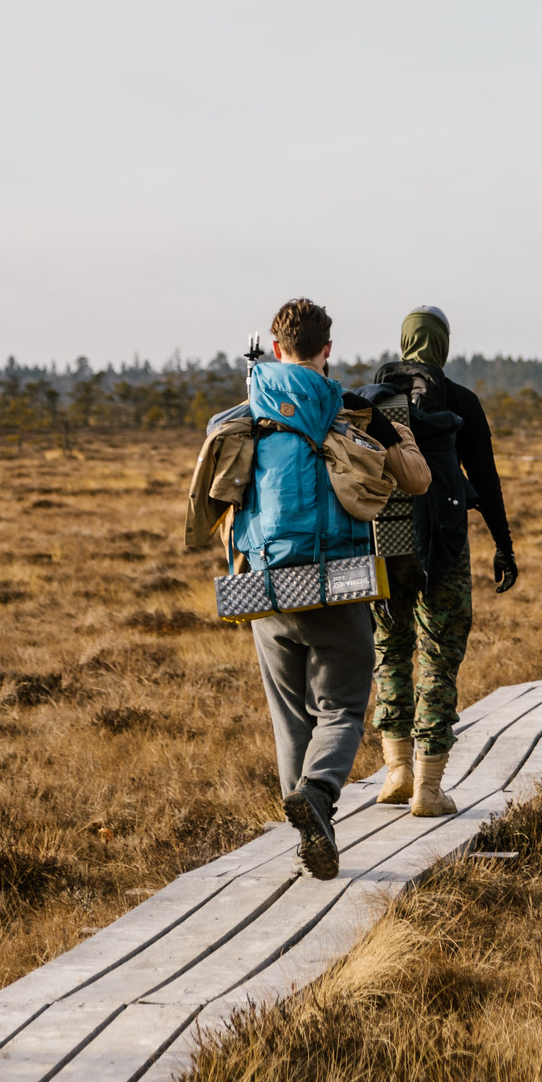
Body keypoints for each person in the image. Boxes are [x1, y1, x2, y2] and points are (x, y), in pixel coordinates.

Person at [186, 298, 429, 879]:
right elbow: (416, 482)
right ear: (327, 352)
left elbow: (214, 509)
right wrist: (390, 426)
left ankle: (308, 838)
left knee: (292, 720)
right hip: (339, 584)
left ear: (274, 350)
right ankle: (319, 794)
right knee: (342, 709)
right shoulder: (350, 415)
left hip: (264, 590)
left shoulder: (240, 420)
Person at [367, 305, 518, 817]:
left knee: (390, 647)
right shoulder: (461, 401)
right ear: (443, 345)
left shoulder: (376, 397)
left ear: (405, 341)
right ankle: (428, 790)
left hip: (383, 545)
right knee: (438, 654)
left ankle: (395, 772)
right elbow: (487, 480)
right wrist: (504, 545)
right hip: (444, 545)